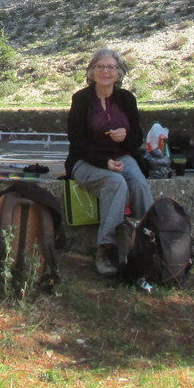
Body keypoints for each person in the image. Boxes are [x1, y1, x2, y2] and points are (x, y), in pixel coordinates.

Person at [65, 48, 152, 277]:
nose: (106, 71)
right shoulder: (81, 99)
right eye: (100, 67)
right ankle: (107, 248)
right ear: (92, 72)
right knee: (115, 183)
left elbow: (137, 140)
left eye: (111, 67)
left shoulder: (126, 99)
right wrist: (104, 163)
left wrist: (126, 136)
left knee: (138, 183)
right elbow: (77, 142)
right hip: (86, 161)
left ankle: (150, 238)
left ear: (119, 73)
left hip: (121, 156)